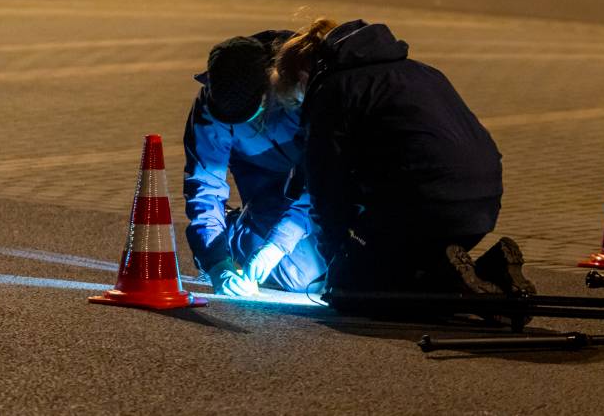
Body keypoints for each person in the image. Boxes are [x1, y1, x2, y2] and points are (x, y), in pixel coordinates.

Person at [270, 18, 535, 296]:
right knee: (401, 258)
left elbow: (326, 191)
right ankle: (492, 270)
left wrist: (338, 259)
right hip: (481, 208)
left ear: (302, 78)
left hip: (424, 209)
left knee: (353, 290)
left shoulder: (332, 90)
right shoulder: (423, 71)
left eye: (298, 100)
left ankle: (448, 285)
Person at [183, 31, 327, 296]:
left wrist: (281, 241)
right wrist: (216, 262)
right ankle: (235, 231)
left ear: (270, 84)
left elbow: (323, 176)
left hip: (321, 189)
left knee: (349, 267)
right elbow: (204, 189)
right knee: (305, 278)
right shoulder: (209, 110)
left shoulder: (304, 84)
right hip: (269, 190)